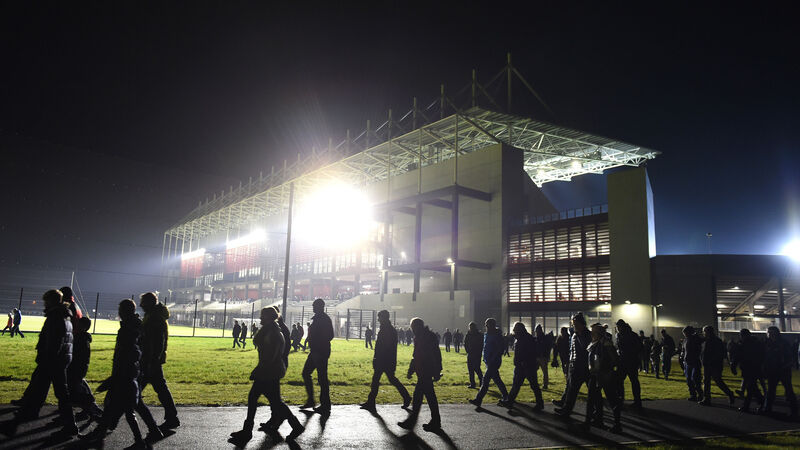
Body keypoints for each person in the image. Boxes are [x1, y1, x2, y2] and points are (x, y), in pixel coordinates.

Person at [80, 299, 162, 447]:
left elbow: (124, 354)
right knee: (132, 404)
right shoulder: (136, 326)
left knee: (116, 405)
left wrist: (115, 375)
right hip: (134, 372)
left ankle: (105, 434)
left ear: (124, 311)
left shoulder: (128, 329)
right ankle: (149, 432)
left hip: (126, 373)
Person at [229, 307, 304, 446]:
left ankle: (247, 431)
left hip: (269, 371)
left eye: (263, 316)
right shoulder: (270, 330)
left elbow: (272, 356)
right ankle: (296, 425)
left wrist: (260, 370)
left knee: (257, 398)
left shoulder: (273, 333)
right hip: (269, 371)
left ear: (269, 317)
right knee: (274, 402)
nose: (260, 318)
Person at [11, 290, 77, 438]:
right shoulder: (65, 316)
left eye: (46, 301)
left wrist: (46, 359)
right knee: (47, 390)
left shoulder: (55, 316)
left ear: (51, 301)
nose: (44, 304)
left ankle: (68, 425)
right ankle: (29, 414)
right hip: (60, 360)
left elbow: (54, 341)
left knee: (50, 391)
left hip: (52, 360)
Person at [138, 292, 179, 430]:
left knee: (137, 391)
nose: (141, 305)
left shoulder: (154, 318)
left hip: (150, 359)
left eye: (143, 302)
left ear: (149, 303)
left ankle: (110, 420)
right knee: (160, 388)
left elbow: (157, 341)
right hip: (150, 359)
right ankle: (172, 417)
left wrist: (153, 360)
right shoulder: (153, 316)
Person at [360, 310, 411, 411]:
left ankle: (371, 402)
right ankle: (406, 397)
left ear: (383, 318)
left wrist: (377, 358)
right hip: (388, 360)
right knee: (390, 380)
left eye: (379, 317)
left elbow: (382, 347)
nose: (378, 319)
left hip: (383, 360)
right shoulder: (389, 329)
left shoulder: (385, 330)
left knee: (377, 381)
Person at [398, 317, 442, 432]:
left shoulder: (426, 337)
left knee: (419, 397)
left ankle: (412, 421)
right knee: (428, 397)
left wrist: (436, 371)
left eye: (413, 327)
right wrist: (411, 370)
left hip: (425, 371)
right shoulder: (422, 336)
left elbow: (434, 354)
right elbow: (417, 355)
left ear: (417, 327)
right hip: (423, 371)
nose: (412, 329)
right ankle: (434, 421)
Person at [585, 323, 622, 433]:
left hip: (604, 375)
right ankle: (596, 420)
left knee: (612, 399)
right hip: (595, 375)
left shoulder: (606, 343)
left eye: (593, 332)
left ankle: (617, 425)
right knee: (593, 398)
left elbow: (614, 359)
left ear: (599, 333)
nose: (591, 334)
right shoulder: (594, 343)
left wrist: (606, 369)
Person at [554, 313, 591, 417]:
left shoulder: (586, 334)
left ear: (580, 323)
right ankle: (566, 410)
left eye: (575, 323)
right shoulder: (575, 334)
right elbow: (572, 350)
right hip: (575, 365)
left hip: (584, 367)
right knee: (571, 390)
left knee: (592, 392)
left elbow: (586, 349)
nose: (573, 326)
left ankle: (596, 413)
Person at [301, 298, 334, 413]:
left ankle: (323, 404)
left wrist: (317, 343)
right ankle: (319, 402)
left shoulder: (322, 319)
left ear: (320, 306)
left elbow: (329, 335)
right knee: (313, 375)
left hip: (319, 352)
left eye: (315, 306)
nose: (313, 307)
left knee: (320, 378)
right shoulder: (321, 318)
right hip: (317, 351)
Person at [500, 322, 543, 410]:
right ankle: (510, 401)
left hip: (527, 366)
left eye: (515, 330)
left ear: (519, 330)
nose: (514, 331)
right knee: (518, 384)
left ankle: (539, 403)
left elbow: (530, 352)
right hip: (523, 365)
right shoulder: (524, 338)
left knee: (531, 385)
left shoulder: (526, 339)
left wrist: (523, 362)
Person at [469, 318, 509, 409]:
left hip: (493, 362)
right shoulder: (487, 335)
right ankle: (506, 397)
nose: (486, 326)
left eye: (487, 324)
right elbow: (486, 347)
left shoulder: (497, 336)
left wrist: (492, 359)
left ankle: (478, 399)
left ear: (492, 325)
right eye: (486, 324)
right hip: (489, 361)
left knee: (485, 380)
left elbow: (499, 349)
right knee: (497, 380)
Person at [68, 316, 103, 420]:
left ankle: (91, 408)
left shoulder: (81, 339)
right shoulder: (83, 338)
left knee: (76, 391)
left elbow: (78, 356)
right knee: (80, 389)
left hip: (76, 368)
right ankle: (89, 409)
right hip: (79, 368)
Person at [762, 326, 798, 417]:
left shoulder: (782, 343)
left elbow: (789, 357)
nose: (768, 334)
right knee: (771, 390)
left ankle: (794, 410)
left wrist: (784, 366)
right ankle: (767, 408)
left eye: (769, 332)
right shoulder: (768, 343)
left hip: (782, 370)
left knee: (788, 391)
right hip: (774, 370)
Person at [699, 325, 735, 406]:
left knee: (717, 381)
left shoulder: (715, 341)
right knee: (707, 381)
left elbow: (719, 353)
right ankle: (707, 398)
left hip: (714, 364)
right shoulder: (707, 341)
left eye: (704, 331)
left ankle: (729, 393)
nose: (703, 333)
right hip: (708, 364)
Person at [614, 319, 642, 408]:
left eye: (618, 327)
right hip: (629, 361)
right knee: (633, 381)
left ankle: (621, 399)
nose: (617, 329)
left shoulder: (623, 335)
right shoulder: (632, 335)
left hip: (626, 361)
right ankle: (637, 401)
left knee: (621, 381)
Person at [737, 328, 765, 413]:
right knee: (752, 387)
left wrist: (734, 365)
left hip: (749, 368)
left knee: (750, 388)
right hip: (754, 368)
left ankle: (748, 405)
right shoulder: (756, 343)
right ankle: (761, 401)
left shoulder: (745, 343)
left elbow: (740, 355)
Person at [682, 325, 704, 402]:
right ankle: (693, 395)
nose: (684, 334)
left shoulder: (695, 339)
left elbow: (701, 342)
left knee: (695, 378)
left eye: (685, 333)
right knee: (689, 379)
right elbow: (684, 350)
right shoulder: (686, 340)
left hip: (694, 362)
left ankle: (700, 394)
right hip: (688, 362)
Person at [464, 321, 484, 388]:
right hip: (472, 354)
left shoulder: (477, 335)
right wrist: (468, 350)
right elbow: (465, 343)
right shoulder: (470, 334)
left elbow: (481, 345)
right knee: (471, 369)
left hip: (476, 354)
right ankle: (474, 383)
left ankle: (479, 382)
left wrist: (468, 350)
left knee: (476, 368)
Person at [534, 325, 552, 389]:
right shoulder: (543, 338)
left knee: (544, 371)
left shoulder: (540, 338)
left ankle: (544, 384)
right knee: (544, 371)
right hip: (540, 356)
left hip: (541, 357)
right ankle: (544, 384)